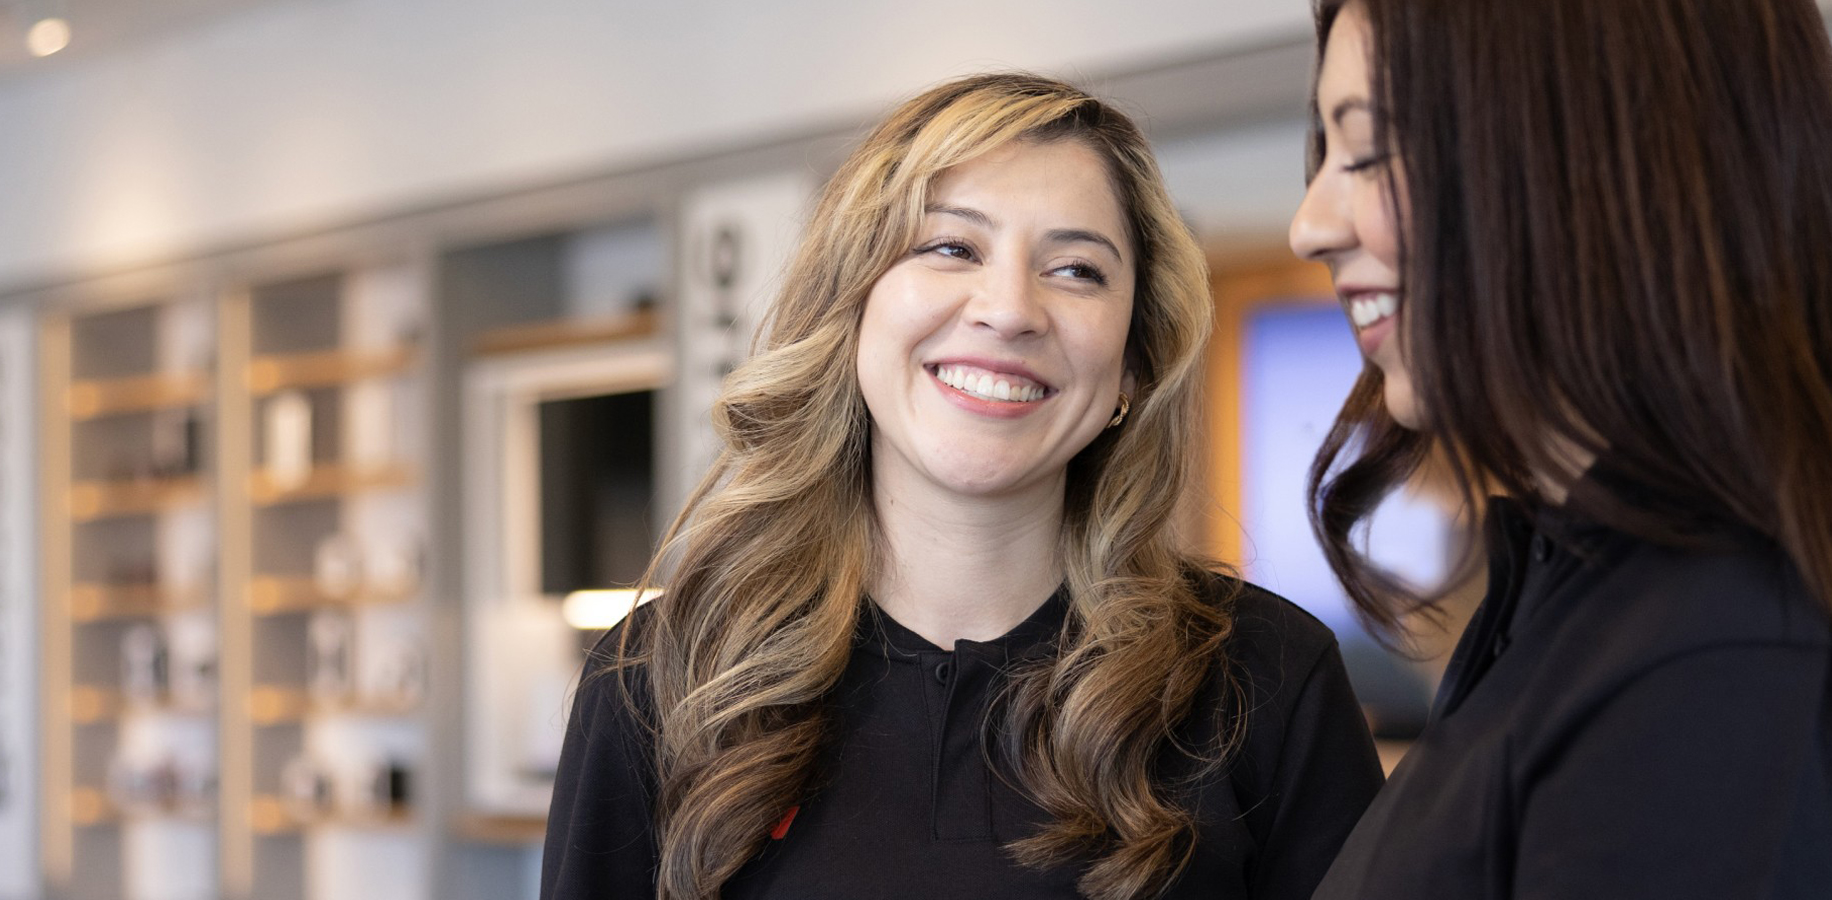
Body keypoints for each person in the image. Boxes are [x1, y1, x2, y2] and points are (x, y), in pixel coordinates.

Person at [544, 73, 1383, 900]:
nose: (1010, 308)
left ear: (1133, 360)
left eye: (1077, 269)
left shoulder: (1267, 678)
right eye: (951, 247)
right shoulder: (662, 675)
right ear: (852, 306)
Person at [1290, 0, 1832, 896]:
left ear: (1587, 158)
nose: (1308, 225)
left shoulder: (1715, 653)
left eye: (1371, 152)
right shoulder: (1563, 593)